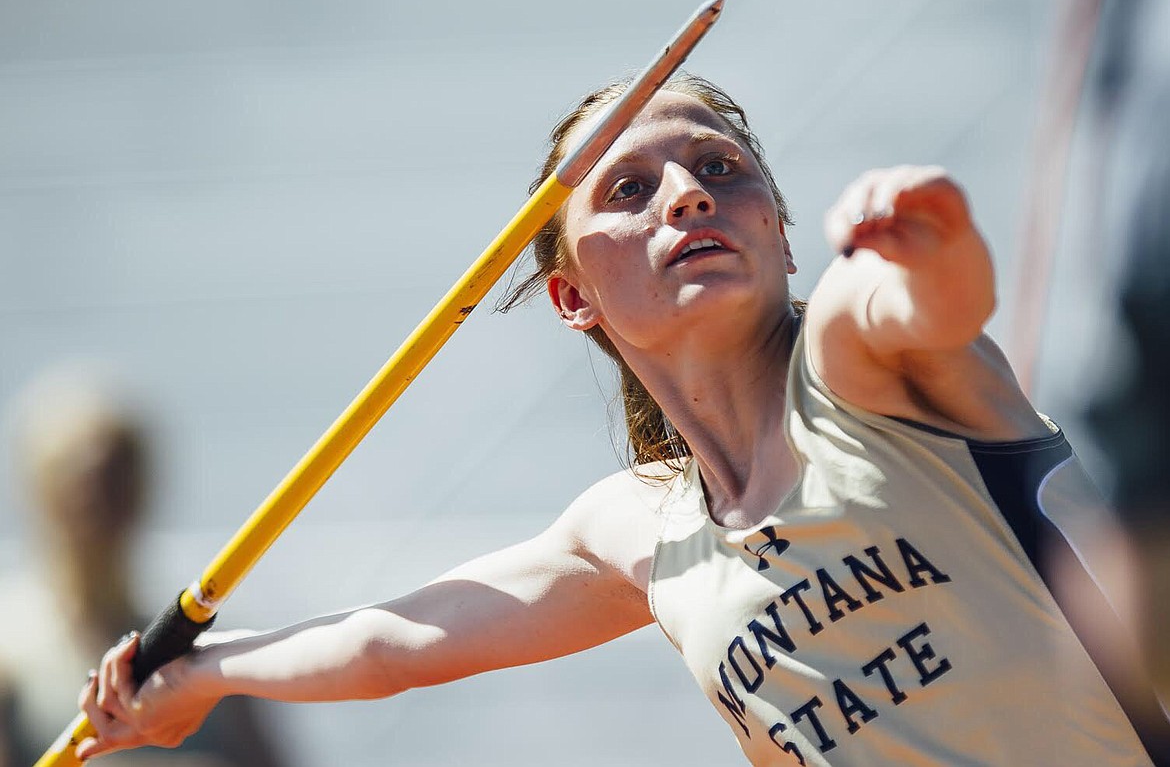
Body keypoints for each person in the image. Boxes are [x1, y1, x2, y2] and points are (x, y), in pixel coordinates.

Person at [73, 74, 1166, 766]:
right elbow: (391, 642)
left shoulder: (860, 355)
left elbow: (938, 300)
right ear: (572, 297)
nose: (687, 193)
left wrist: (929, 228)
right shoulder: (637, 531)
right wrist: (202, 676)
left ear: (784, 235)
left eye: (720, 169)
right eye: (628, 188)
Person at [0, 368, 283, 767]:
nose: (99, 506)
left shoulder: (205, 657)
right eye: (81, 486)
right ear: (41, 492)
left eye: (116, 481)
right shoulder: (12, 660)